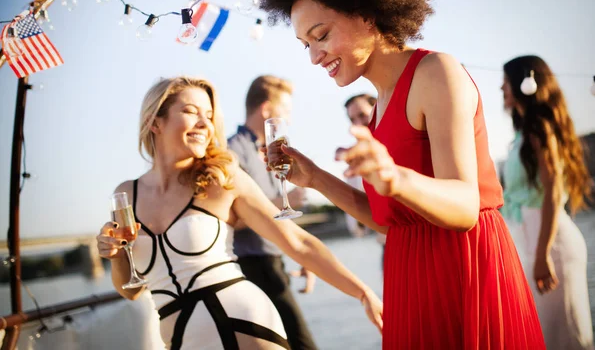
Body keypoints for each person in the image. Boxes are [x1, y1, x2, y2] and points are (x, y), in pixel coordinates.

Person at [254, 0, 545, 348]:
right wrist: (317, 178)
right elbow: (390, 221)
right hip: (409, 275)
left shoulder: (435, 72)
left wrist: (395, 177)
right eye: (305, 44)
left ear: (367, 13)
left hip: (464, 270)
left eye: (321, 35)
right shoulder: (377, 111)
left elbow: (463, 207)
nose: (314, 57)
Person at [95, 77, 382, 350]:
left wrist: (361, 292)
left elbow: (297, 242)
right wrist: (117, 256)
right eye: (190, 111)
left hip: (243, 326)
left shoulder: (221, 176)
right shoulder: (126, 195)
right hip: (179, 339)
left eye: (208, 114)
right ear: (155, 121)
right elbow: (131, 290)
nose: (204, 123)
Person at [501, 55, 595, 350]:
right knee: (545, 338)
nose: (501, 89)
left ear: (522, 83)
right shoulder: (520, 134)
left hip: (551, 244)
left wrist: (542, 254)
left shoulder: (539, 128)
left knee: (567, 338)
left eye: (505, 83)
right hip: (533, 243)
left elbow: (554, 191)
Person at [227, 75, 318, 350]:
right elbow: (233, 218)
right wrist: (281, 203)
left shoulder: (265, 152)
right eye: (285, 112)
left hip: (273, 263)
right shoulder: (233, 152)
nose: (288, 120)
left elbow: (276, 212)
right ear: (266, 110)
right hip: (252, 267)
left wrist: (300, 253)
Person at [343, 94, 386, 268]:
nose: (358, 123)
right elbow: (357, 228)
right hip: (388, 248)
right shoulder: (355, 163)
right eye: (352, 119)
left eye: (362, 115)